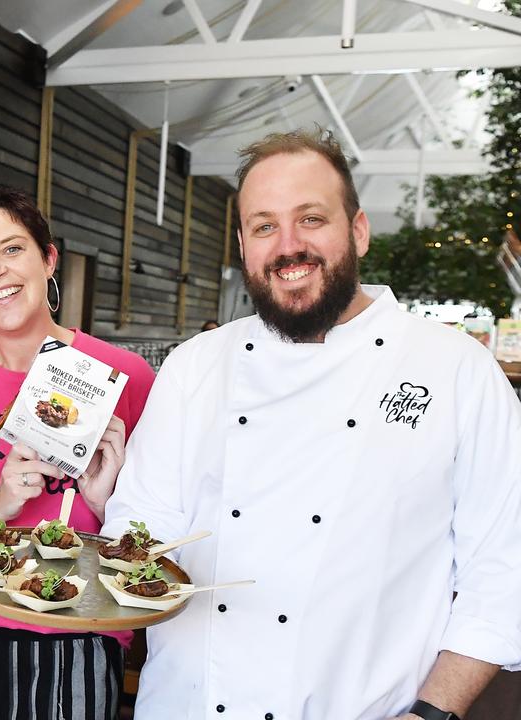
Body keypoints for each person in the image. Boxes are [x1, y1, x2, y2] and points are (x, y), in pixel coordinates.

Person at [103, 128, 521, 720]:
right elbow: (144, 520)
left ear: (358, 231)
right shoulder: (196, 364)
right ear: (244, 245)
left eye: (311, 219)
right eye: (265, 226)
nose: (288, 245)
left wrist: (434, 713)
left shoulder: (457, 370)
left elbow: (505, 568)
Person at [0, 188, 156, 720]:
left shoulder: (126, 378)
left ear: (48, 259)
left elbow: (159, 539)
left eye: (12, 249)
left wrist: (106, 501)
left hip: (78, 630)